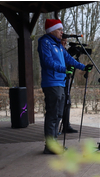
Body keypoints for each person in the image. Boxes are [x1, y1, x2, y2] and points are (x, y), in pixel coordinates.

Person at [38, 19, 93, 154]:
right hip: (51, 83)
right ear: (51, 30)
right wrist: (64, 70)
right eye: (59, 30)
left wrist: (83, 67)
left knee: (58, 114)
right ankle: (50, 146)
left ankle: (54, 144)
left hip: (60, 83)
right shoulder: (45, 42)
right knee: (52, 113)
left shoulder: (58, 45)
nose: (62, 32)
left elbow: (69, 59)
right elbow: (47, 62)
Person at [60, 36, 78, 133]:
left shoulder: (65, 51)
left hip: (66, 80)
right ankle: (55, 130)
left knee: (68, 102)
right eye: (63, 41)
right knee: (61, 104)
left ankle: (66, 125)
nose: (65, 44)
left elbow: (70, 63)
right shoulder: (57, 51)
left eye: (66, 42)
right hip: (58, 81)